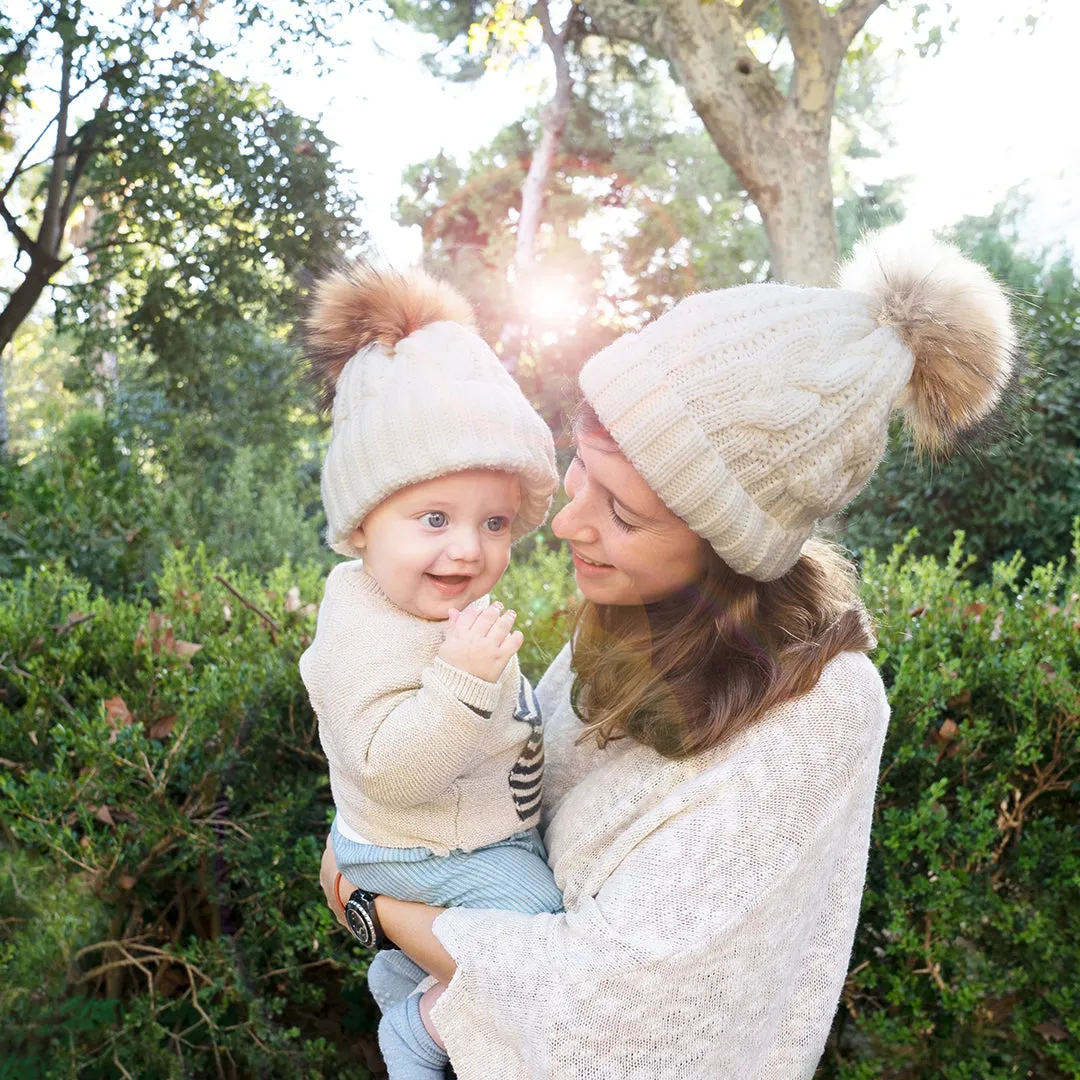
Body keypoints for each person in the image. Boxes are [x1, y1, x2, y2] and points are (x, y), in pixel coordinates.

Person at [319, 230, 1017, 1078]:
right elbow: (504, 811)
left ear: (728, 546)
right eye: (581, 470)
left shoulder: (820, 710)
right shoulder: (624, 623)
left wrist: (372, 905)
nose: (569, 523)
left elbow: (617, 1013)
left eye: (623, 511)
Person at [299, 265, 562, 1079]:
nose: (468, 549)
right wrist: (460, 682)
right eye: (435, 519)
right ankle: (424, 1029)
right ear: (360, 525)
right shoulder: (360, 632)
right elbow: (388, 766)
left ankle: (405, 967)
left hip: (462, 834)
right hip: (418, 849)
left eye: (494, 522)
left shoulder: (425, 601)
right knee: (536, 927)